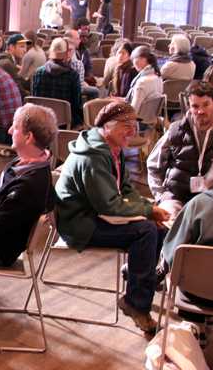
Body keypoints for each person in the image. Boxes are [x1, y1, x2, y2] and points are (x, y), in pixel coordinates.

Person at [55, 102, 169, 334]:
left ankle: (137, 274)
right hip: (79, 224)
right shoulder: (93, 158)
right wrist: (147, 211)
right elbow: (108, 206)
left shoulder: (112, 148)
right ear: (107, 127)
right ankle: (136, 303)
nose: (133, 132)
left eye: (134, 125)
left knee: (159, 230)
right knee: (146, 230)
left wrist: (148, 208)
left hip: (95, 214)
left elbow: (125, 189)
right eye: (126, 126)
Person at [0, 103, 57, 266]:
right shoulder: (20, 164)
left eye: (15, 126)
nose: (10, 130)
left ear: (28, 137)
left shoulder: (30, 185)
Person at [147, 81, 213, 222]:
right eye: (195, 106)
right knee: (168, 223)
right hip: (175, 196)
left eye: (206, 104)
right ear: (189, 106)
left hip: (208, 198)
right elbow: (153, 165)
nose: (200, 111)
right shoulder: (176, 130)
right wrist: (160, 196)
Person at [32, 38, 82, 127]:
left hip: (41, 121)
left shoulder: (38, 72)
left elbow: (35, 99)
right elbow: (76, 104)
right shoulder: (73, 75)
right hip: (65, 124)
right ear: (66, 54)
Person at [123, 45, 163, 116]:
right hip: (150, 118)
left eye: (134, 59)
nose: (133, 63)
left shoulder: (142, 82)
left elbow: (133, 110)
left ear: (141, 59)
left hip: (138, 122)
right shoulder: (158, 77)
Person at [65, 28, 99, 101]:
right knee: (95, 91)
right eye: (77, 38)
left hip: (83, 78)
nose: (80, 40)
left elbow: (89, 67)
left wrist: (86, 79)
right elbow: (77, 83)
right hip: (75, 85)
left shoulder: (84, 50)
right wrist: (83, 83)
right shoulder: (74, 59)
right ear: (70, 40)